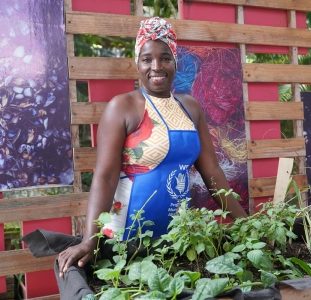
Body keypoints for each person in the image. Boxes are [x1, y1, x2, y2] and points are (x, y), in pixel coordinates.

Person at [57, 17, 248, 278]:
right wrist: (89, 239)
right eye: (147, 59)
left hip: (179, 241)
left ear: (175, 62)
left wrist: (246, 224)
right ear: (137, 63)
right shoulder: (122, 107)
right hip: (127, 243)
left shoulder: (190, 107)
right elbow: (105, 175)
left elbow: (212, 170)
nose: (156, 66)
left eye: (165, 58)